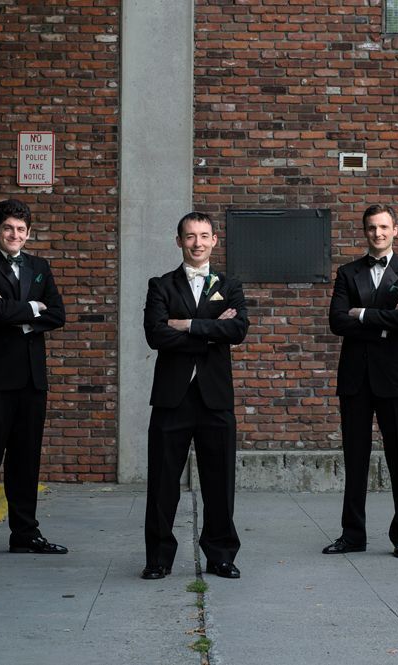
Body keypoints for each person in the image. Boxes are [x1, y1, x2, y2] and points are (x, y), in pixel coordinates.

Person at [141, 211, 249, 580]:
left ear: (214, 240)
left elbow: (237, 330)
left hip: (215, 397)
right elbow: (156, 335)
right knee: (162, 483)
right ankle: (158, 557)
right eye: (190, 236)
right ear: (179, 241)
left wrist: (186, 325)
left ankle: (221, 555)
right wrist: (211, 329)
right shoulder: (161, 285)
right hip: (172, 397)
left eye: (204, 236)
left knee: (219, 483)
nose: (197, 243)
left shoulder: (230, 285)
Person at [0, 198, 67, 562]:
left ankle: (25, 533)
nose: (15, 235)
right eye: (8, 228)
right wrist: (33, 309)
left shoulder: (39, 266)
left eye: (21, 230)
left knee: (27, 461)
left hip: (32, 379)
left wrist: (17, 311)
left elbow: (58, 314)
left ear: (28, 232)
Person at [324, 205, 398, 559]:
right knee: (355, 459)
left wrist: (363, 314)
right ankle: (353, 535)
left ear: (396, 229)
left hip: (393, 379)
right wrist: (386, 320)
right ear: (364, 231)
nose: (377, 234)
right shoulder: (348, 272)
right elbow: (337, 321)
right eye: (371, 228)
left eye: (383, 227)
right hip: (355, 379)